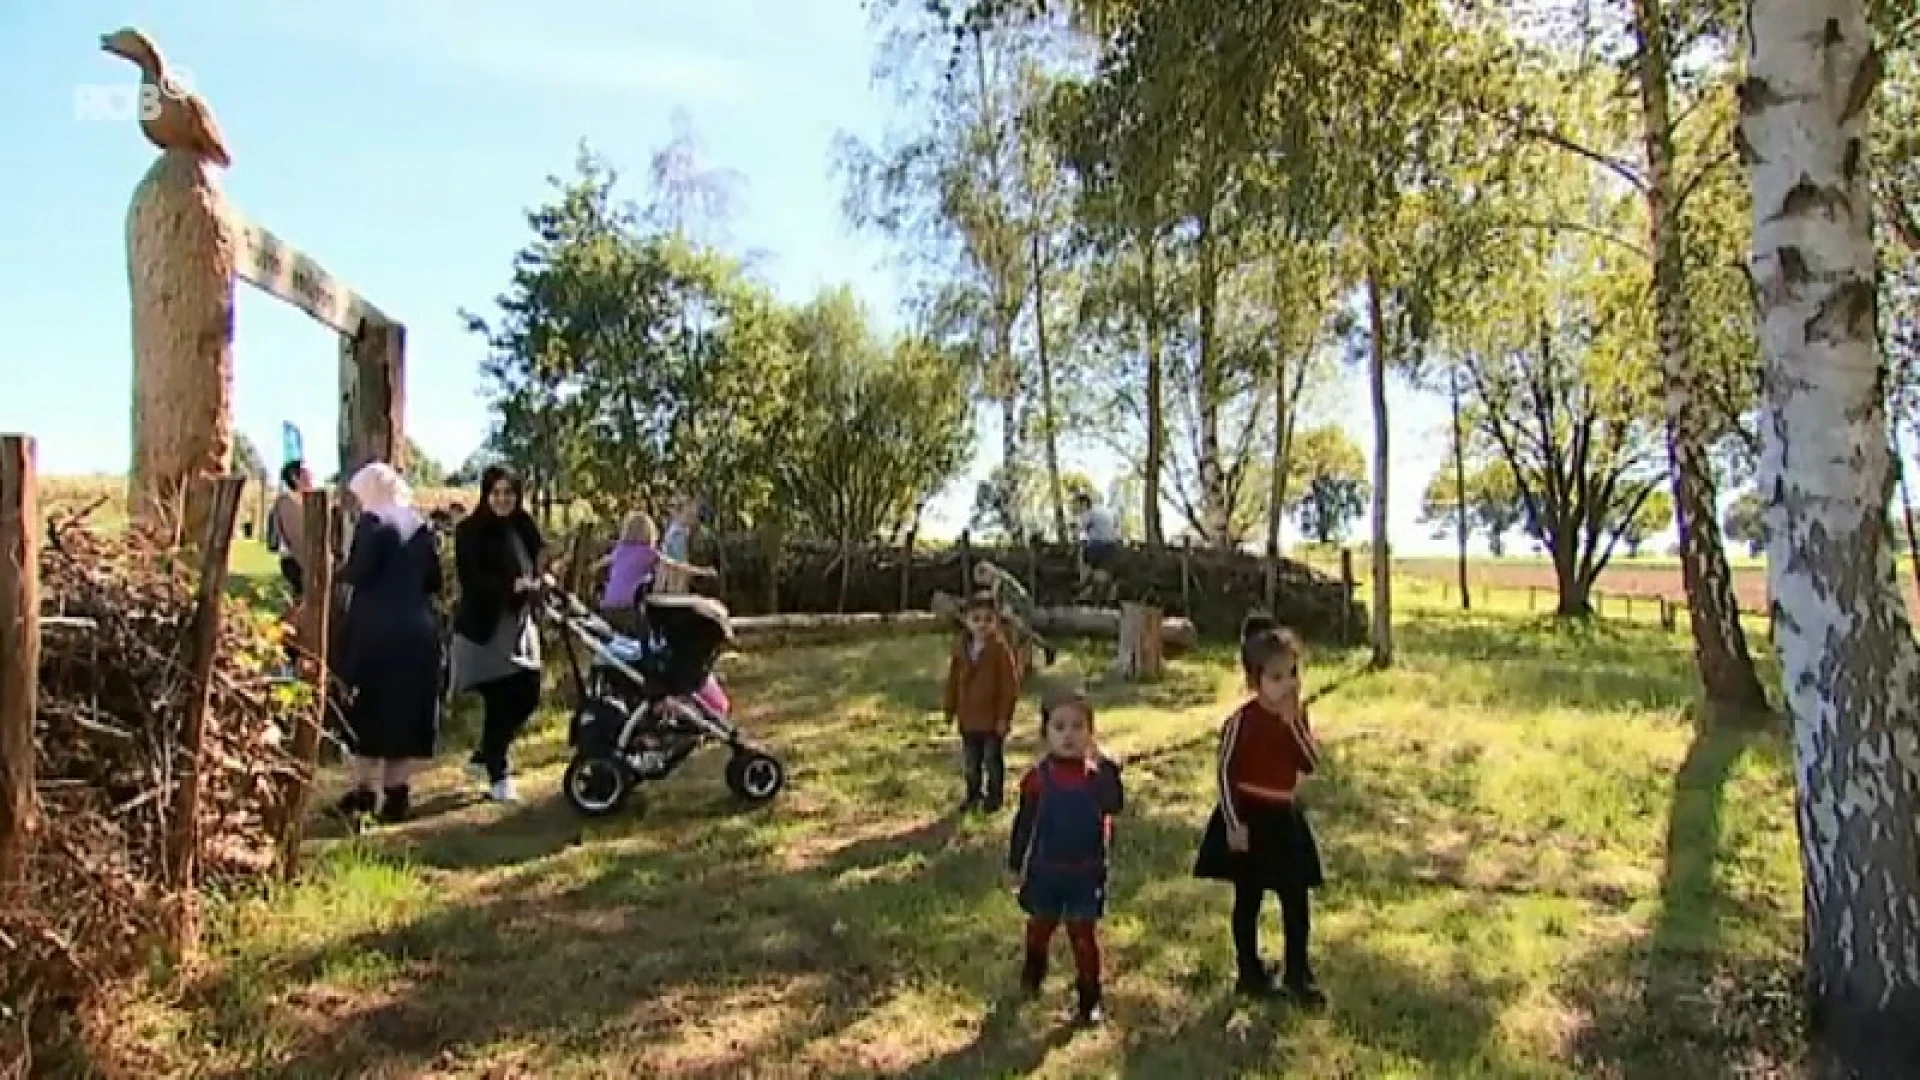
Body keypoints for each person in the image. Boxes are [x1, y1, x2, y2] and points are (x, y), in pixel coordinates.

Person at [1192, 623, 1326, 1004]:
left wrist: (1292, 724)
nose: (1288, 685)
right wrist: (1234, 824)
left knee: (1295, 899)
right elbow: (1224, 771)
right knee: (1248, 898)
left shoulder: (1296, 717)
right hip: (1249, 815)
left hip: (1284, 815)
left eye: (1293, 674)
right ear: (1255, 681)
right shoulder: (1242, 721)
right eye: (1277, 677)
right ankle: (1249, 972)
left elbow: (1310, 762)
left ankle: (1297, 973)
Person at [333, 463, 445, 824]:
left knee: (367, 706)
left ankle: (363, 790)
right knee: (404, 710)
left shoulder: (372, 523)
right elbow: (434, 580)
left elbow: (361, 570)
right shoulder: (421, 525)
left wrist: (336, 570)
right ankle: (397, 794)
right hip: (417, 628)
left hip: (375, 630)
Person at [1007, 688, 1125, 1025]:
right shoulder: (1037, 780)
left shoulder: (1096, 778)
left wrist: (1109, 769)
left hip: (1085, 873)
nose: (1069, 735)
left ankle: (1090, 997)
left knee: (1083, 937)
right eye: (1059, 727)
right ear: (1045, 735)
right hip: (1046, 871)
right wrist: (1016, 864)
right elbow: (1024, 824)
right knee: (1040, 926)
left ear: (1090, 733)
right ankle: (1034, 969)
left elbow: (1114, 805)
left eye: (1077, 727)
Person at [450, 465, 546, 803]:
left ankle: (485, 754)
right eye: (496, 493)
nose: (503, 500)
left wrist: (540, 582)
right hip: (485, 630)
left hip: (519, 626)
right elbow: (472, 580)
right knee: (500, 698)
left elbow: (538, 562)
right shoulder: (471, 531)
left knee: (529, 692)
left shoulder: (524, 527)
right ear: (486, 495)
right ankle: (499, 774)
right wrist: (510, 586)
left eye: (509, 493)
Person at [942, 591, 1020, 812]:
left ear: (996, 620)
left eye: (988, 619)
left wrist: (1005, 717)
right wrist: (950, 708)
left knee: (992, 760)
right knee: (971, 762)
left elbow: (1009, 686)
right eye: (976, 619)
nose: (982, 625)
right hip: (968, 718)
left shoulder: (1000, 650)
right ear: (966, 621)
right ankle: (973, 794)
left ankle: (994, 797)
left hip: (992, 719)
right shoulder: (961, 648)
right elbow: (953, 680)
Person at [594, 510, 717, 636]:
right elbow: (677, 566)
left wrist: (592, 568)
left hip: (607, 606)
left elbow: (602, 562)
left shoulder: (621, 550)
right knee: (650, 635)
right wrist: (704, 571)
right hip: (628, 608)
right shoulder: (649, 553)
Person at [972, 559, 1057, 668]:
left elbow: (997, 600)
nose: (985, 584)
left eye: (983, 581)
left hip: (1021, 606)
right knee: (1019, 629)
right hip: (1020, 604)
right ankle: (1041, 650)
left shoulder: (998, 580)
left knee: (1018, 628)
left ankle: (1017, 659)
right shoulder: (1000, 575)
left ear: (987, 573)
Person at [270, 460, 311, 599]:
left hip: (307, 561)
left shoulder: (307, 500)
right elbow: (295, 535)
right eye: (306, 472)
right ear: (295, 477)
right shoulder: (288, 501)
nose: (311, 475)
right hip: (295, 561)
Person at [1072, 492, 1120, 598]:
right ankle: (1106, 591)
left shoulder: (1088, 513)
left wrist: (1076, 538)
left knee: (1082, 553)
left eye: (1077, 505)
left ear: (1084, 504)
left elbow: (1078, 531)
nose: (1077, 509)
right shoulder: (1105, 510)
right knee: (1101, 571)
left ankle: (1083, 584)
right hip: (1111, 546)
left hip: (1098, 545)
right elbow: (1115, 527)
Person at [654, 495, 701, 595]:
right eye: (690, 515)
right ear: (679, 514)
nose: (693, 519)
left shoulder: (679, 529)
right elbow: (679, 561)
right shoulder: (678, 533)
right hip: (674, 577)